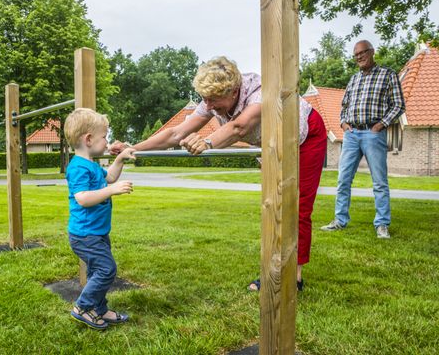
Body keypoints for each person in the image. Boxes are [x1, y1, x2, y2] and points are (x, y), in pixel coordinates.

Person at [110, 56, 327, 291]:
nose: (209, 106)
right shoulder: (211, 100)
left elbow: (239, 127)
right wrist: (133, 148)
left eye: (214, 100)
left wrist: (208, 143)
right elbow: (175, 134)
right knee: (273, 203)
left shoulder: (259, 92)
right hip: (271, 141)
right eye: (205, 99)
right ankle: (274, 268)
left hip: (305, 137)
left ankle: (293, 278)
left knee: (296, 205)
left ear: (234, 91)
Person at [320, 40, 406, 239]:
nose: (359, 57)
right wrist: (343, 123)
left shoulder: (388, 75)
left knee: (379, 182)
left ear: (372, 52)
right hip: (351, 135)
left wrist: (381, 124)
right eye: (356, 54)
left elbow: (399, 105)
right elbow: (344, 105)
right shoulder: (353, 79)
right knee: (343, 180)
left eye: (362, 53)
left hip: (373, 133)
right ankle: (340, 220)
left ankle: (382, 224)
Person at [64, 108, 135, 330]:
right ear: (88, 139)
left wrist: (121, 159)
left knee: (98, 271)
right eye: (104, 136)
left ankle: (100, 309)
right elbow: (83, 198)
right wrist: (112, 190)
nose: (107, 141)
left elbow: (111, 176)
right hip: (85, 235)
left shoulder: (92, 165)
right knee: (107, 269)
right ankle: (83, 307)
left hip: (97, 232)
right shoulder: (77, 168)